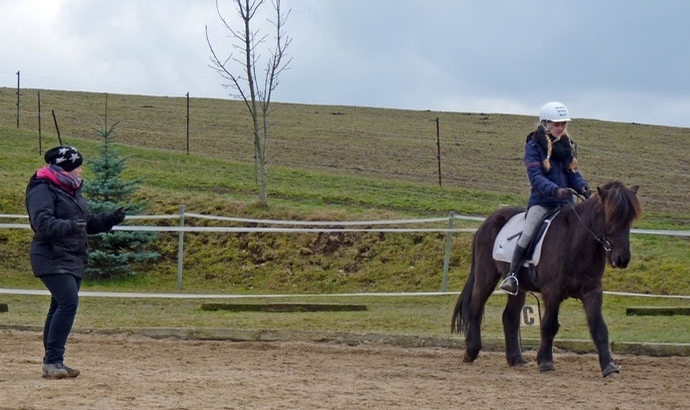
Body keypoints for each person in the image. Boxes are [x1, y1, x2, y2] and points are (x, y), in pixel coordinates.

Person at [25, 145, 127, 379]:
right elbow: (42, 223)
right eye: (77, 166)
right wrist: (73, 226)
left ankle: (52, 362)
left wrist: (109, 220)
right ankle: (53, 361)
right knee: (68, 303)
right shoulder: (42, 189)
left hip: (73, 256)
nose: (81, 171)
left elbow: (86, 222)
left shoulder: (70, 191)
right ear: (64, 168)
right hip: (50, 255)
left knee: (59, 306)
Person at [499, 102, 591, 295]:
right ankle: (512, 276)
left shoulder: (566, 146)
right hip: (542, 203)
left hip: (565, 205)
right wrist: (555, 190)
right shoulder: (533, 146)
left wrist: (582, 186)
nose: (561, 128)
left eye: (563, 124)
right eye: (557, 124)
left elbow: (572, 173)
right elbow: (536, 178)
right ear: (546, 123)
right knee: (528, 232)